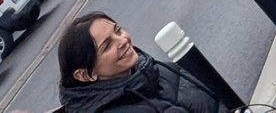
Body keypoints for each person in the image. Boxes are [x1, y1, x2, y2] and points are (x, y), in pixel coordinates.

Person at [57, 14, 223, 113]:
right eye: (107, 45)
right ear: (85, 74)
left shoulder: (156, 69)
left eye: (118, 30)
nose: (122, 40)